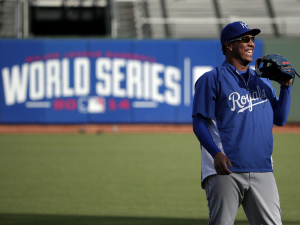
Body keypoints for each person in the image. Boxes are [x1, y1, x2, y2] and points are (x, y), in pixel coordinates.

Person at [192, 21, 292, 225]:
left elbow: (280, 120)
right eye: (245, 39)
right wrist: (215, 153)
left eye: (253, 39)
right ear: (229, 45)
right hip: (225, 169)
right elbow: (199, 121)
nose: (251, 43)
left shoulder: (262, 80)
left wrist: (286, 88)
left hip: (262, 167)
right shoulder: (212, 79)